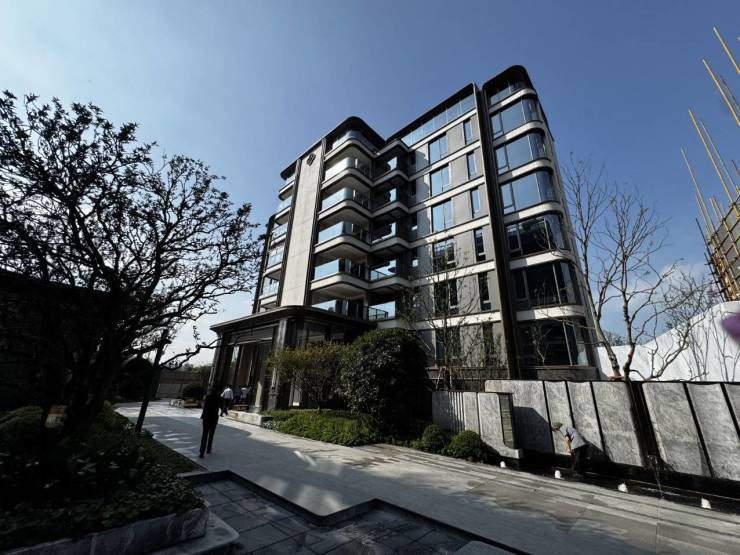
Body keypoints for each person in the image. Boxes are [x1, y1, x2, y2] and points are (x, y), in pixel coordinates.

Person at [200, 387, 221, 458]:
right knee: (211, 434)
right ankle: (208, 449)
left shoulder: (207, 397)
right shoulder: (219, 398)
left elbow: (203, 406)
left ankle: (201, 452)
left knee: (204, 434)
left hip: (206, 417)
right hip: (214, 418)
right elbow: (223, 407)